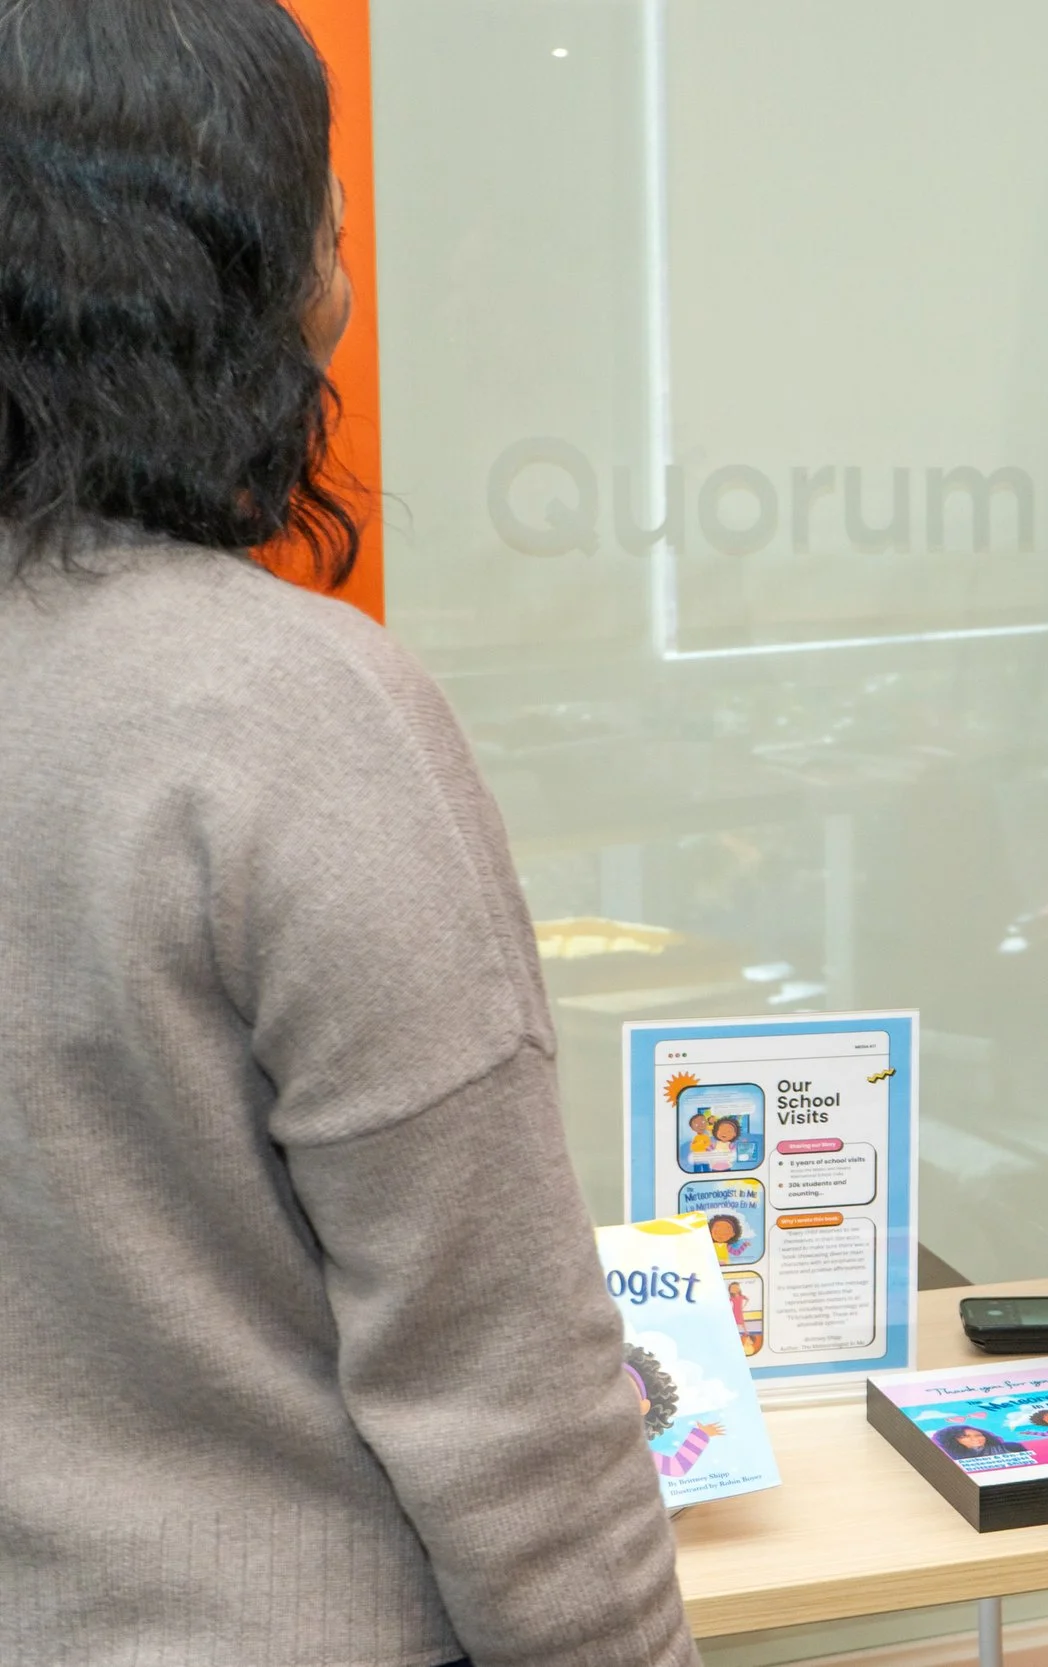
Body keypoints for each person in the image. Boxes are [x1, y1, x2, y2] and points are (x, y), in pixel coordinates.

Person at [0, 5, 694, 1664]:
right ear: (234, 282)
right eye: (325, 217)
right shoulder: (297, 716)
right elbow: (508, 1402)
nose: (349, 273)